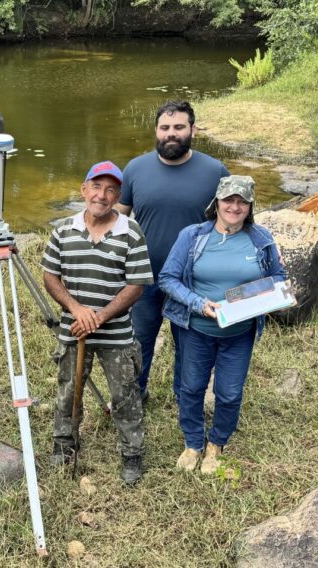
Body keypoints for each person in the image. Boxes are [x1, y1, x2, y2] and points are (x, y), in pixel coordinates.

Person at [157, 175, 286, 475]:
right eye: (229, 199)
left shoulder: (261, 239)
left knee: (229, 393)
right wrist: (199, 303)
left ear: (250, 206)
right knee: (191, 388)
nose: (235, 206)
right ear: (216, 202)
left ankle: (216, 443)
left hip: (239, 334)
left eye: (242, 201)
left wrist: (258, 296)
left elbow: (278, 277)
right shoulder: (193, 236)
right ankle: (193, 443)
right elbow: (168, 278)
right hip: (196, 330)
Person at [42, 161, 152, 485]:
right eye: (96, 187)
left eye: (110, 190)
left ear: (118, 194)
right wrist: (77, 310)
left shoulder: (131, 232)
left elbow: (136, 284)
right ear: (84, 189)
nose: (101, 195)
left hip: (117, 336)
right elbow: (50, 276)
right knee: (67, 393)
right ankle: (64, 447)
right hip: (73, 330)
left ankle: (132, 454)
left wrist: (100, 317)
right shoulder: (63, 229)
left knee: (125, 395)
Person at [114, 100, 229, 404]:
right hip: (144, 276)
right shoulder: (136, 168)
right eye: (165, 128)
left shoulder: (215, 171)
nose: (171, 134)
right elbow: (117, 219)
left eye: (179, 127)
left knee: (190, 345)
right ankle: (134, 397)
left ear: (193, 129)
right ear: (156, 131)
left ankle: (185, 397)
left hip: (194, 280)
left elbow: (235, 219)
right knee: (139, 341)